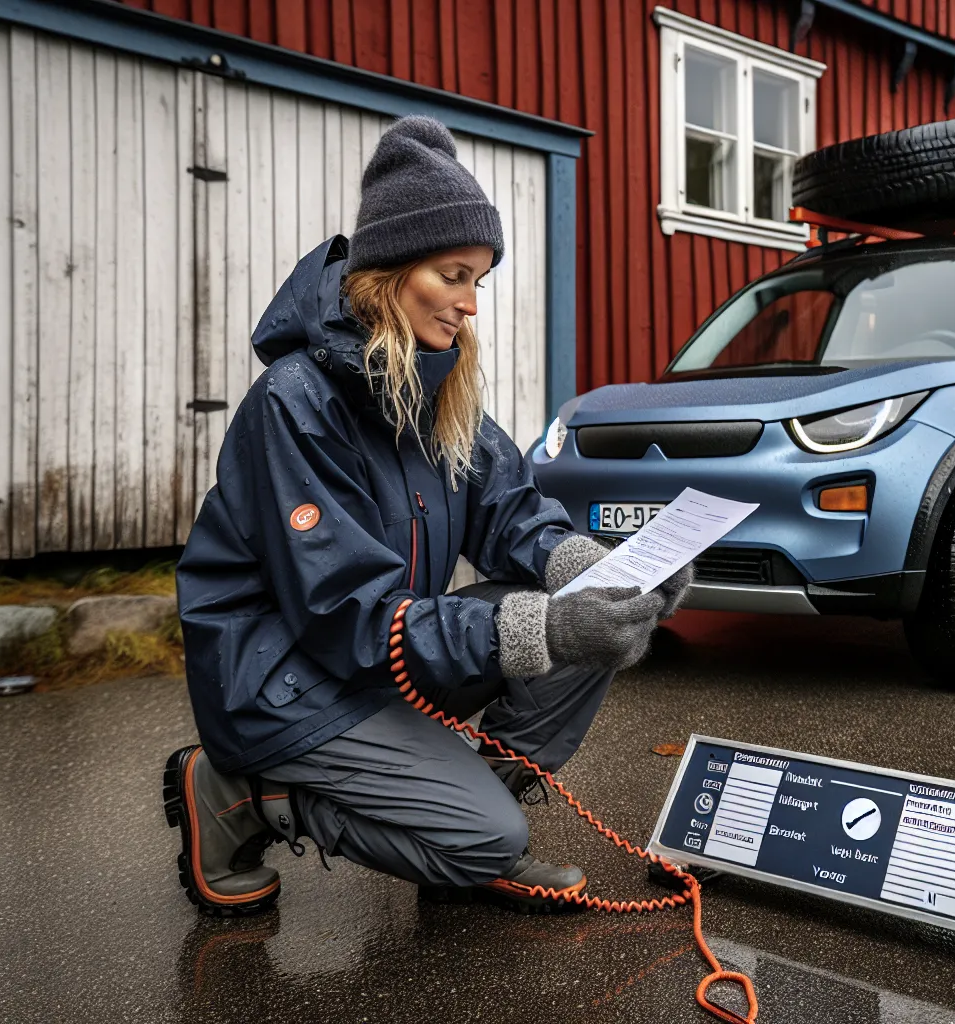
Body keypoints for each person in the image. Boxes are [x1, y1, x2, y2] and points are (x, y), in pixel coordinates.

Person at [163, 116, 690, 916]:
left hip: (372, 660)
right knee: (492, 827)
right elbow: (348, 616)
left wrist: (609, 573)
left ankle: (463, 816)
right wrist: (537, 628)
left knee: (596, 627)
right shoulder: (295, 404)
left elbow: (515, 516)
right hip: (285, 682)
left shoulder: (441, 397)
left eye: (478, 280)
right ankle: (246, 794)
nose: (469, 305)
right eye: (454, 275)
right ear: (391, 269)